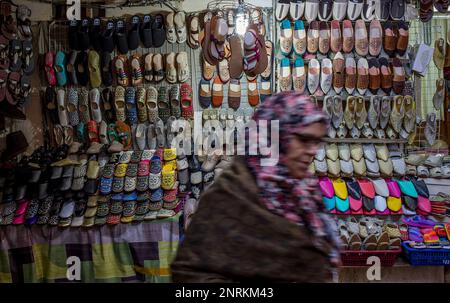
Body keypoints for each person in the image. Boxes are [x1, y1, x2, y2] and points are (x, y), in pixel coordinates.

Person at [171, 92, 341, 283]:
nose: (312, 151)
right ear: (275, 135)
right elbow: (189, 274)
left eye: (316, 141)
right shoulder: (229, 196)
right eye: (303, 139)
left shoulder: (304, 189)